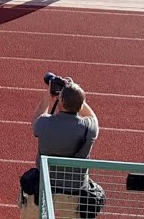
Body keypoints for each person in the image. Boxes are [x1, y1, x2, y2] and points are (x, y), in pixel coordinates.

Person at [30, 78, 99, 209]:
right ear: (81, 104)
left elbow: (36, 120)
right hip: (75, 190)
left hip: (45, 186)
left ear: (61, 101)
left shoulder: (44, 123)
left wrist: (49, 96)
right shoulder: (89, 128)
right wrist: (76, 96)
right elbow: (93, 117)